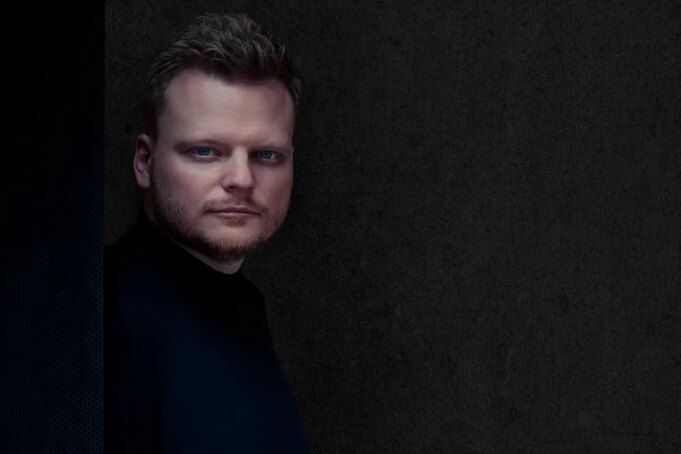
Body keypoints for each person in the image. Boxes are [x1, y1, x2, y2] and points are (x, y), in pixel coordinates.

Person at [104, 13, 310, 453]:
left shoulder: (244, 305)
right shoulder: (90, 322)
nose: (242, 179)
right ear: (145, 162)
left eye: (266, 155)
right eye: (205, 151)